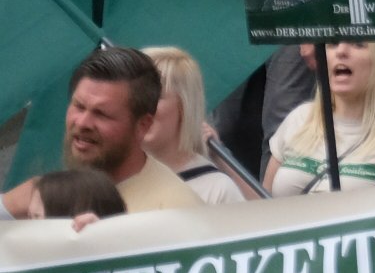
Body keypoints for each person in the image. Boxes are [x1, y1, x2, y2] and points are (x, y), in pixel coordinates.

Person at [0, 44, 200, 216]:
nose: (83, 122)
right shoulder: (46, 193)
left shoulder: (174, 212)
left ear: (143, 125)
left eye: (102, 114)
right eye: (78, 106)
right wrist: (10, 206)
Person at [266, 36, 375, 193]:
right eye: (333, 44)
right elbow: (262, 204)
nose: (341, 51)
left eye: (358, 44)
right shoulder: (300, 118)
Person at [142, 45, 255, 204]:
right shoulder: (112, 180)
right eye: (136, 95)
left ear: (184, 106)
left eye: (154, 96)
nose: (140, 106)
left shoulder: (217, 190)